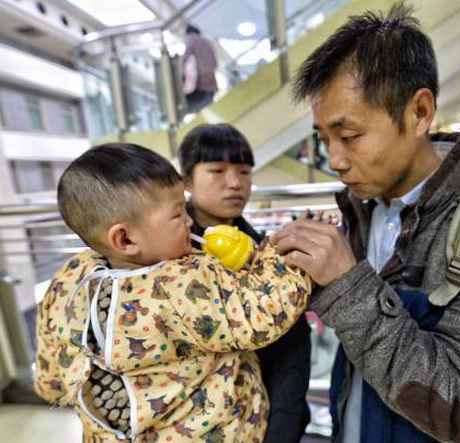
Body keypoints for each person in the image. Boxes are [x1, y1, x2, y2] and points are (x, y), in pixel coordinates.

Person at [272, 5, 460, 443]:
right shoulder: (361, 209)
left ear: (419, 112)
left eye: (349, 136)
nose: (334, 160)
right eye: (323, 139)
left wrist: (348, 284)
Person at [34, 143, 311, 442]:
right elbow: (265, 311)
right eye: (178, 214)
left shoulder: (68, 279)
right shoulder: (183, 283)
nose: (190, 221)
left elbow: (50, 380)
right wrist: (277, 256)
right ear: (125, 239)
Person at [178, 123, 312, 443]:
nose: (235, 183)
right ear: (186, 180)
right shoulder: (164, 256)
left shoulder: (265, 256)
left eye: (244, 171)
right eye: (217, 171)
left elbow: (291, 355)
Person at [180, 25, 218, 114]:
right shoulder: (207, 42)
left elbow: (184, 61)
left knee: (192, 111)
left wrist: (182, 78)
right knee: (208, 110)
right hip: (211, 84)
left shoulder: (190, 40)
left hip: (198, 84)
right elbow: (215, 64)